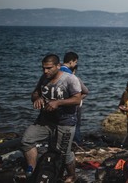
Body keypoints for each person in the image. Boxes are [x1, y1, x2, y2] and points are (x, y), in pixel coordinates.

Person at [21, 54, 82, 182]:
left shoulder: (70, 79)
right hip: (46, 120)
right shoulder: (44, 78)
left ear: (58, 66)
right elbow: (36, 92)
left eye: (49, 68)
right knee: (27, 140)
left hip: (65, 121)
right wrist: (37, 98)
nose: (45, 71)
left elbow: (77, 99)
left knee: (63, 152)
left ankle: (71, 175)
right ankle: (31, 170)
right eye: (43, 68)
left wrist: (58, 102)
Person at [61, 50, 89, 145]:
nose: (75, 64)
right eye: (75, 62)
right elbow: (85, 91)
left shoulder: (56, 72)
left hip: (58, 105)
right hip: (70, 107)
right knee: (74, 126)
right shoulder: (72, 76)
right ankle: (76, 144)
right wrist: (78, 99)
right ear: (71, 62)